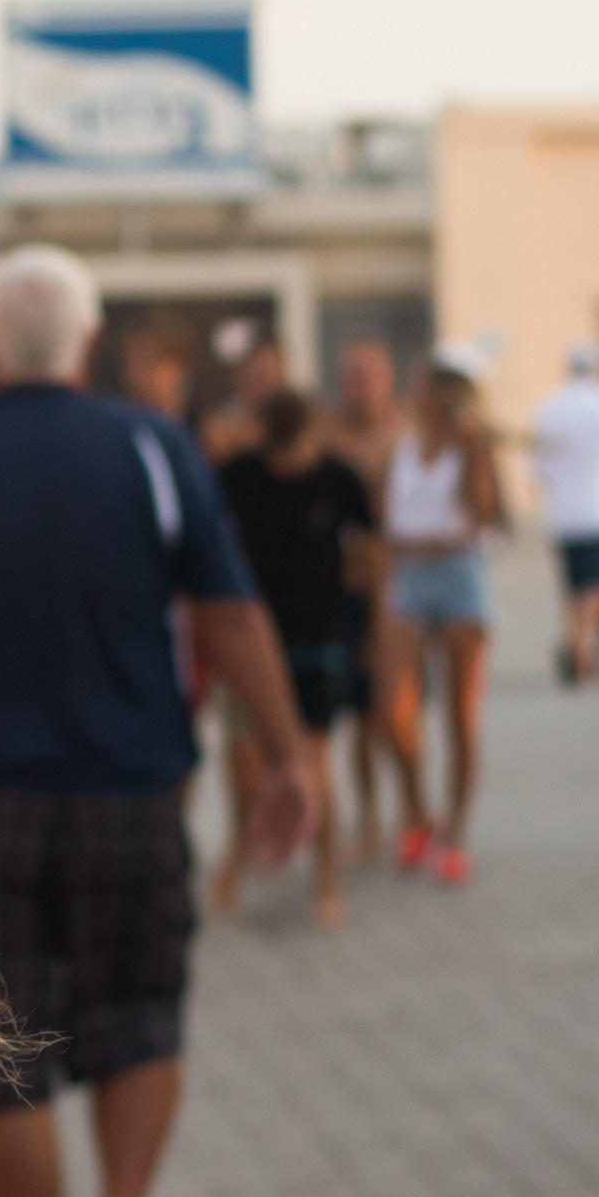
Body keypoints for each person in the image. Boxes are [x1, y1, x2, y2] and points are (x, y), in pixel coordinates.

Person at [0, 246, 316, 1197]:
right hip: (130, 792)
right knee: (140, 1015)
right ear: (83, 346)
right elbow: (226, 615)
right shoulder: (151, 448)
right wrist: (287, 753)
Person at [215, 391, 375, 928]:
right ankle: (240, 859)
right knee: (245, 765)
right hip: (253, 643)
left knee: (314, 763)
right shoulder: (237, 475)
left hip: (316, 639)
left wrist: (368, 621)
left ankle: (325, 879)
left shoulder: (338, 478)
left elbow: (371, 550)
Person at [382, 346, 504, 883]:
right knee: (394, 710)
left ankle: (455, 832)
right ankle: (416, 809)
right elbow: (386, 516)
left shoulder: (471, 445)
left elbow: (484, 513)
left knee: (460, 716)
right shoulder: (402, 447)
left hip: (458, 572)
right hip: (410, 571)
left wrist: (474, 448)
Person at [321, 340, 404, 856]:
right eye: (352, 376)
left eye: (369, 375)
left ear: (387, 378)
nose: (361, 386)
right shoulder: (328, 436)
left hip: (401, 592)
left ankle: (414, 808)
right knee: (356, 715)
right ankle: (369, 818)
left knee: (397, 713)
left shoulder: (408, 433)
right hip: (345, 592)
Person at [528, 341, 599, 683]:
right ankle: (580, 641)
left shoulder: (550, 407)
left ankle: (580, 643)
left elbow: (540, 470)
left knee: (576, 585)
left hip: (562, 514)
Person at [200, 332, 285, 463]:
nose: (266, 386)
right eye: (259, 375)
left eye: (272, 376)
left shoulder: (296, 418)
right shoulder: (223, 422)